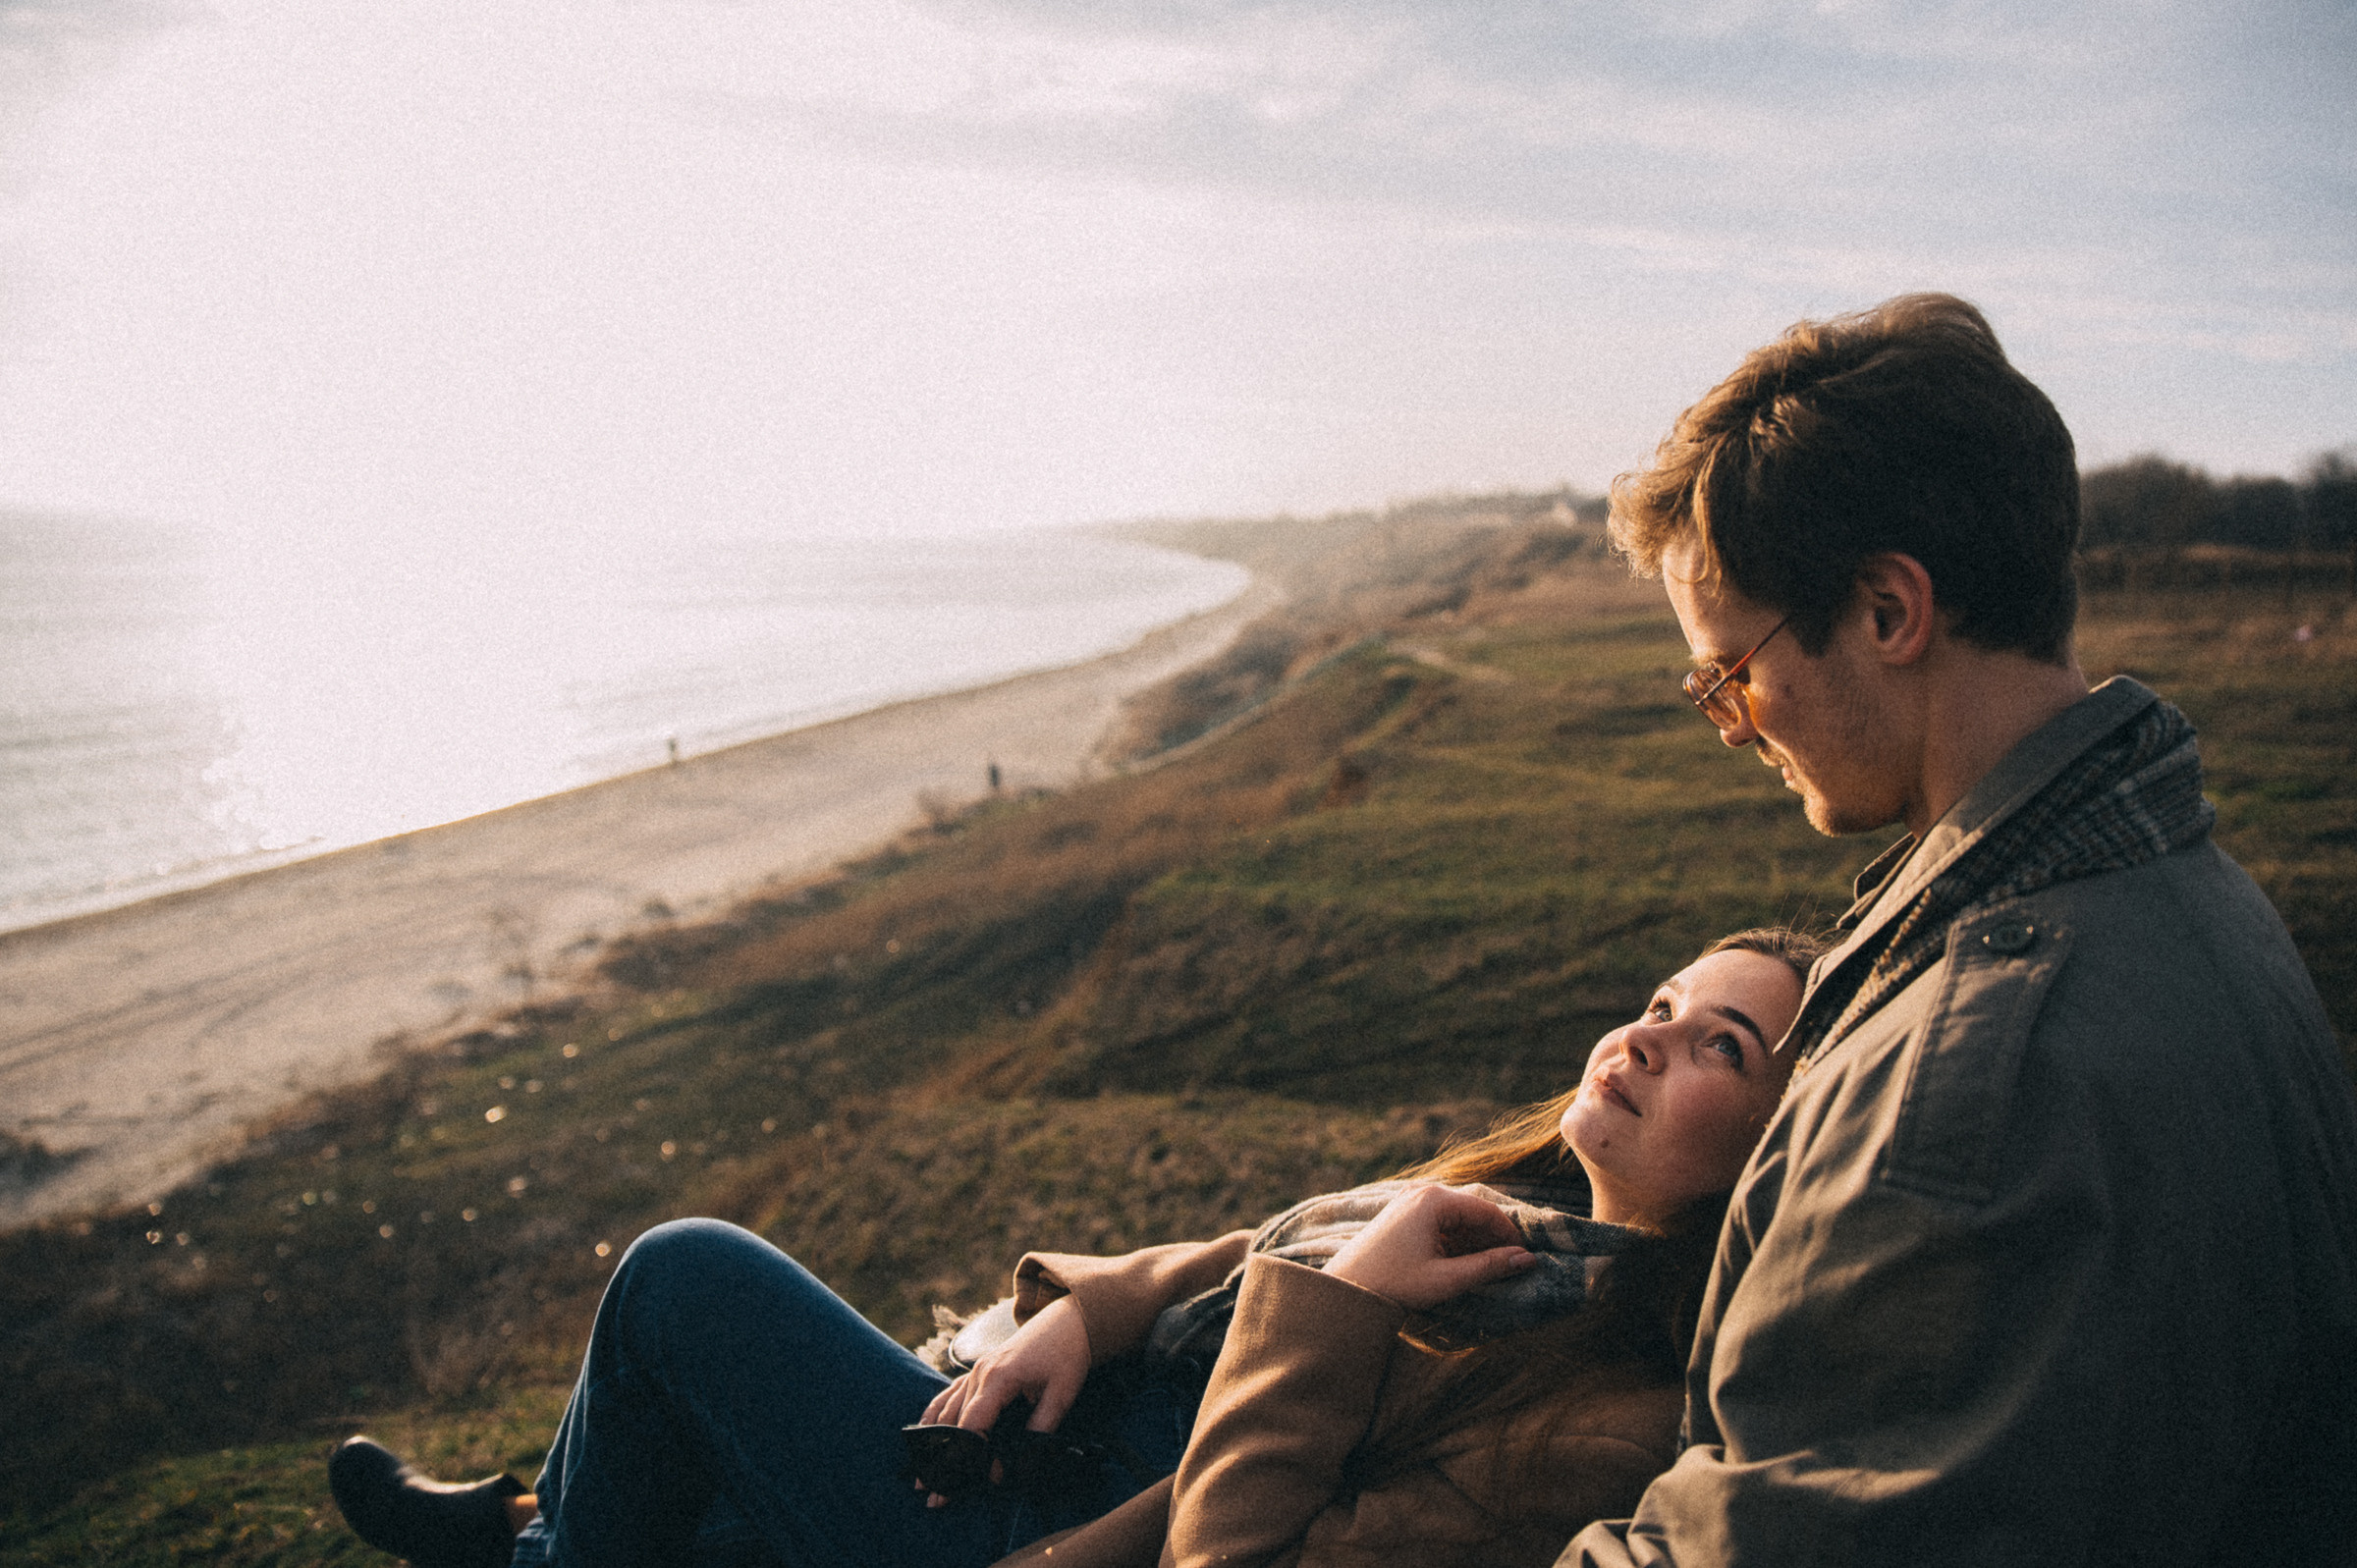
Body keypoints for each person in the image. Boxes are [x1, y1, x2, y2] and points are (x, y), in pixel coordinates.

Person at [1562, 294, 2357, 1566]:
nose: (1732, 727)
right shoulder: (2191, 887)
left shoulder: (1975, 1080)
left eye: (1731, 676)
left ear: (1887, 611)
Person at [329, 929, 1822, 1568]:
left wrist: (1342, 1314)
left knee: (683, 1275)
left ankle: (538, 1544)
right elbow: (1237, 1259)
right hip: (1050, 1442)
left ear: (1775, 1152)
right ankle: (535, 1524)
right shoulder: (1516, 1202)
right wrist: (1085, 1321)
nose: (1646, 1031)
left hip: (1063, 1538)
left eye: (1719, 1044)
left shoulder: (1603, 1411)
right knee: (715, 1510)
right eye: (1664, 994)